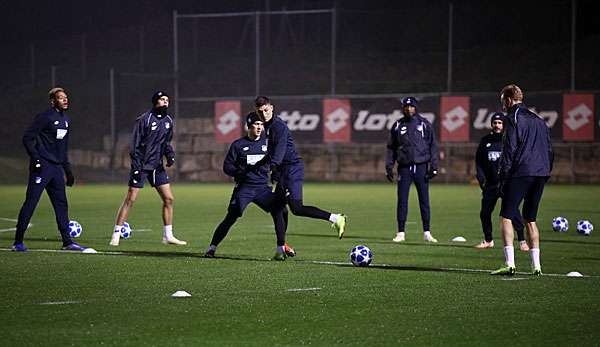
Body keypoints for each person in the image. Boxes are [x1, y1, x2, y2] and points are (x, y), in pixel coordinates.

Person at [204, 112, 294, 260]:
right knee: (231, 217)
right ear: (248, 126)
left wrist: (276, 172)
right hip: (244, 189)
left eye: (261, 125)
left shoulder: (267, 143)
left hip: (262, 189)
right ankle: (212, 248)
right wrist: (237, 172)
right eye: (256, 125)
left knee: (281, 209)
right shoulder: (238, 145)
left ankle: (281, 246)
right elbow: (227, 166)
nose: (259, 128)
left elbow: (276, 160)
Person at [12, 87, 93, 252]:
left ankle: (67, 242)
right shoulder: (45, 117)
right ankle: (18, 242)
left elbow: (62, 149)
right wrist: (35, 158)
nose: (65, 100)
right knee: (31, 202)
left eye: (65, 97)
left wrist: (68, 171)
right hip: (42, 167)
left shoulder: (66, 120)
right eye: (60, 97)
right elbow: (27, 138)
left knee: (61, 204)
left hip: (56, 169)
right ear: (53, 101)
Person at [254, 96, 347, 239]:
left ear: (271, 108)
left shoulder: (278, 126)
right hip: (283, 170)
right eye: (260, 112)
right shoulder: (267, 127)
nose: (263, 114)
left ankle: (336, 218)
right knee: (277, 207)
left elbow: (280, 150)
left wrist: (273, 167)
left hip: (291, 169)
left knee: (296, 208)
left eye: (266, 110)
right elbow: (271, 152)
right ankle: (282, 247)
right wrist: (259, 165)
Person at [109, 91, 186, 246]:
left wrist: (170, 155)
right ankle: (116, 235)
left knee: (169, 199)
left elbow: (166, 142)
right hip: (142, 165)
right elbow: (135, 145)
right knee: (131, 199)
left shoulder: (168, 121)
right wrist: (136, 166)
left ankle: (168, 236)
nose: (165, 102)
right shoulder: (144, 119)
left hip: (157, 166)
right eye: (162, 99)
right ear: (155, 102)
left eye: (167, 100)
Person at [491, 84, 553, 276]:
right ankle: (537, 266)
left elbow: (510, 150)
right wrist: (545, 171)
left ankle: (510, 263)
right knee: (530, 219)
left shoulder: (513, 118)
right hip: (541, 173)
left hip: (521, 172)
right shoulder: (540, 120)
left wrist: (502, 178)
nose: (502, 106)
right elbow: (550, 150)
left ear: (509, 100)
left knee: (506, 216)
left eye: (503, 101)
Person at [386, 97, 439, 243]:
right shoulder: (397, 125)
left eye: (411, 106)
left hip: (421, 167)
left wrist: (434, 166)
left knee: (424, 201)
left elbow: (433, 145)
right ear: (403, 108)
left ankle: (427, 232)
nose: (409, 109)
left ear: (416, 107)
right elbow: (391, 148)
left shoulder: (425, 124)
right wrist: (389, 166)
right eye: (406, 106)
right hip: (404, 169)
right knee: (402, 201)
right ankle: (401, 233)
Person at [475, 112, 529, 251]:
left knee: (514, 212)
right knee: (485, 213)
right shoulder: (485, 141)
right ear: (491, 124)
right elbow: (479, 163)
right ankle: (488, 240)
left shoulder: (509, 140)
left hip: (507, 184)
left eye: (499, 123)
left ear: (503, 125)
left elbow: (517, 161)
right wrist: (482, 180)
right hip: (491, 185)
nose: (497, 125)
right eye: (495, 122)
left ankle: (522, 241)